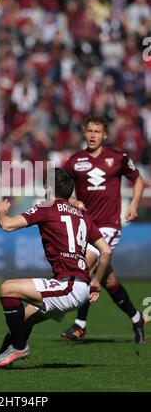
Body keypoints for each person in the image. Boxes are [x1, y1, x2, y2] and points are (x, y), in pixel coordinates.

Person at [0, 168, 111, 369]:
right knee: (23, 320)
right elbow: (105, 251)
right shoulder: (82, 216)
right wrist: (96, 282)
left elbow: (7, 225)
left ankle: (19, 347)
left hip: (69, 286)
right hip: (76, 285)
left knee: (7, 288)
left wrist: (0, 210)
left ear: (49, 188)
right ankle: (0, 361)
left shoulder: (47, 207)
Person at [62, 115, 146, 343]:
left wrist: (134, 204)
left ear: (105, 135)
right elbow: (54, 181)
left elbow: (138, 180)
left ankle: (79, 324)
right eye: (89, 131)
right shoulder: (75, 160)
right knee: (108, 281)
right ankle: (137, 317)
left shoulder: (117, 158)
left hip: (109, 226)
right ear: (83, 132)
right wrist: (71, 201)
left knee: (85, 264)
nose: (92, 135)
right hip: (85, 226)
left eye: (97, 132)